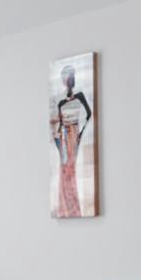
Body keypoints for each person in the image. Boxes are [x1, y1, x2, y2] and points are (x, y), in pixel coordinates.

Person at [51, 64, 93, 217]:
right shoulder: (61, 102)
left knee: (71, 170)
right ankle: (65, 210)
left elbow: (89, 115)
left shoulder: (80, 96)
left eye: (69, 77)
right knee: (64, 172)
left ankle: (73, 209)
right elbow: (59, 123)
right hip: (64, 137)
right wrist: (58, 139)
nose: (67, 80)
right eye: (65, 78)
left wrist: (80, 133)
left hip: (73, 135)